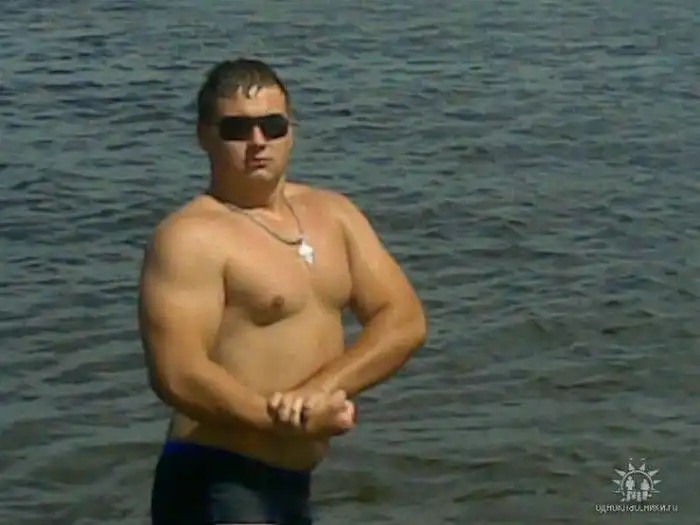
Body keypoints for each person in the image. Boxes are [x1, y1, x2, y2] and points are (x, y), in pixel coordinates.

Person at [138, 57, 428, 525]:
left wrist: (320, 390)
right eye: (236, 129)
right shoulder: (190, 237)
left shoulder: (334, 214)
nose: (258, 142)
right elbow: (178, 373)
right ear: (204, 135)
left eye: (272, 126)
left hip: (291, 481)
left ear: (291, 131)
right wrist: (283, 419)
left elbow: (403, 319)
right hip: (217, 477)